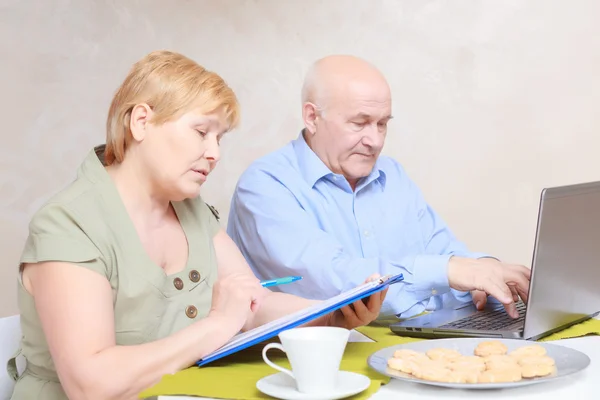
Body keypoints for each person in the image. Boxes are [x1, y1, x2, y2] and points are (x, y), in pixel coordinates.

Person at [7, 51, 386, 400]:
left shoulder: (190, 209)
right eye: (201, 132)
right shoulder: (67, 224)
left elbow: (255, 304)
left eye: (220, 138)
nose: (214, 154)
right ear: (142, 122)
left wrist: (332, 314)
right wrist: (216, 325)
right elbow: (91, 384)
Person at [227, 54, 531, 321]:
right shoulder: (265, 186)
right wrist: (447, 274)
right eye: (359, 123)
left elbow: (445, 252)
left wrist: (485, 270)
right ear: (312, 117)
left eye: (382, 123)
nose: (375, 140)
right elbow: (335, 283)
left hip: (409, 344)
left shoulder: (391, 174)